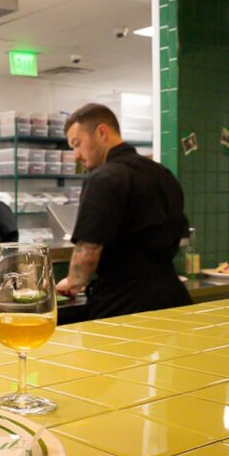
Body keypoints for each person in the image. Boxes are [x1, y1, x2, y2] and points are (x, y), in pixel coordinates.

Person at [56, 103, 191, 318]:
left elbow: (88, 249)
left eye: (77, 144)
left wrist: (73, 282)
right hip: (173, 297)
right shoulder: (163, 174)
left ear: (102, 132)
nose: (76, 155)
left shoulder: (103, 179)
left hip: (124, 303)